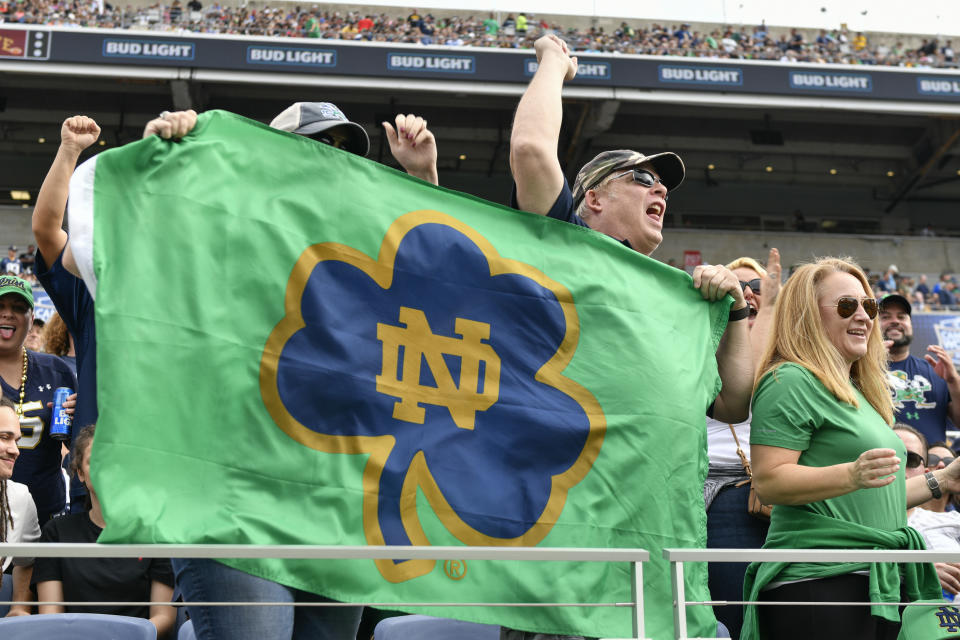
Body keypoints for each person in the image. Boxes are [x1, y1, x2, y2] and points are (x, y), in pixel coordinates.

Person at [127, 102, 441, 640]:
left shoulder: (363, 250)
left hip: (333, 506)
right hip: (233, 504)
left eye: (344, 150)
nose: (334, 159)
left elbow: (441, 294)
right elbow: (126, 245)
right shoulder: (217, 223)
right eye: (318, 144)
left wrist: (421, 178)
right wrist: (161, 157)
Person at [509, 33, 753, 640]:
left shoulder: (676, 295)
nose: (660, 189)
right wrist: (552, 64)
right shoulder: (565, 248)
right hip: (564, 544)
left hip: (651, 542)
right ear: (591, 199)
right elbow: (533, 152)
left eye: (662, 183)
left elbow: (732, 402)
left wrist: (737, 313)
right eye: (641, 178)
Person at [743, 257, 960, 640]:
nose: (863, 316)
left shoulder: (858, 394)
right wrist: (851, 473)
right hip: (821, 580)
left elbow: (878, 492)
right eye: (847, 305)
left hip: (871, 580)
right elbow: (769, 482)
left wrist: (945, 477)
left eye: (868, 306)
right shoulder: (790, 379)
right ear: (808, 315)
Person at [32, 424, 176, 637]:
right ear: (80, 473)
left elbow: (164, 616)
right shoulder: (57, 533)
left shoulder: (157, 534)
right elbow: (50, 616)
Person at [704, 249, 781, 640]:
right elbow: (743, 386)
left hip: (785, 492)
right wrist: (764, 312)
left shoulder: (790, 353)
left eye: (758, 288)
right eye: (739, 287)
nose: (749, 294)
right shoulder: (700, 344)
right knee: (737, 614)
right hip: (725, 488)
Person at [0, 275, 76, 525]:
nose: (8, 314)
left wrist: (77, 419)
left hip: (46, 515)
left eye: (18, 308)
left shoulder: (56, 370)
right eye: (0, 307)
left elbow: (82, 441)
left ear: (31, 320)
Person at [879, 293, 959, 445]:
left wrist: (953, 380)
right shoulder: (858, 371)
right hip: (879, 463)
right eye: (886, 317)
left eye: (902, 317)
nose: (895, 321)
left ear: (911, 325)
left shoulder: (935, 372)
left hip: (933, 465)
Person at [0, 395, 40, 617]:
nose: (15, 450)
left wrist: (19, 606)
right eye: (4, 437)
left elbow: (28, 560)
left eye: (16, 440)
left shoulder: (19, 497)